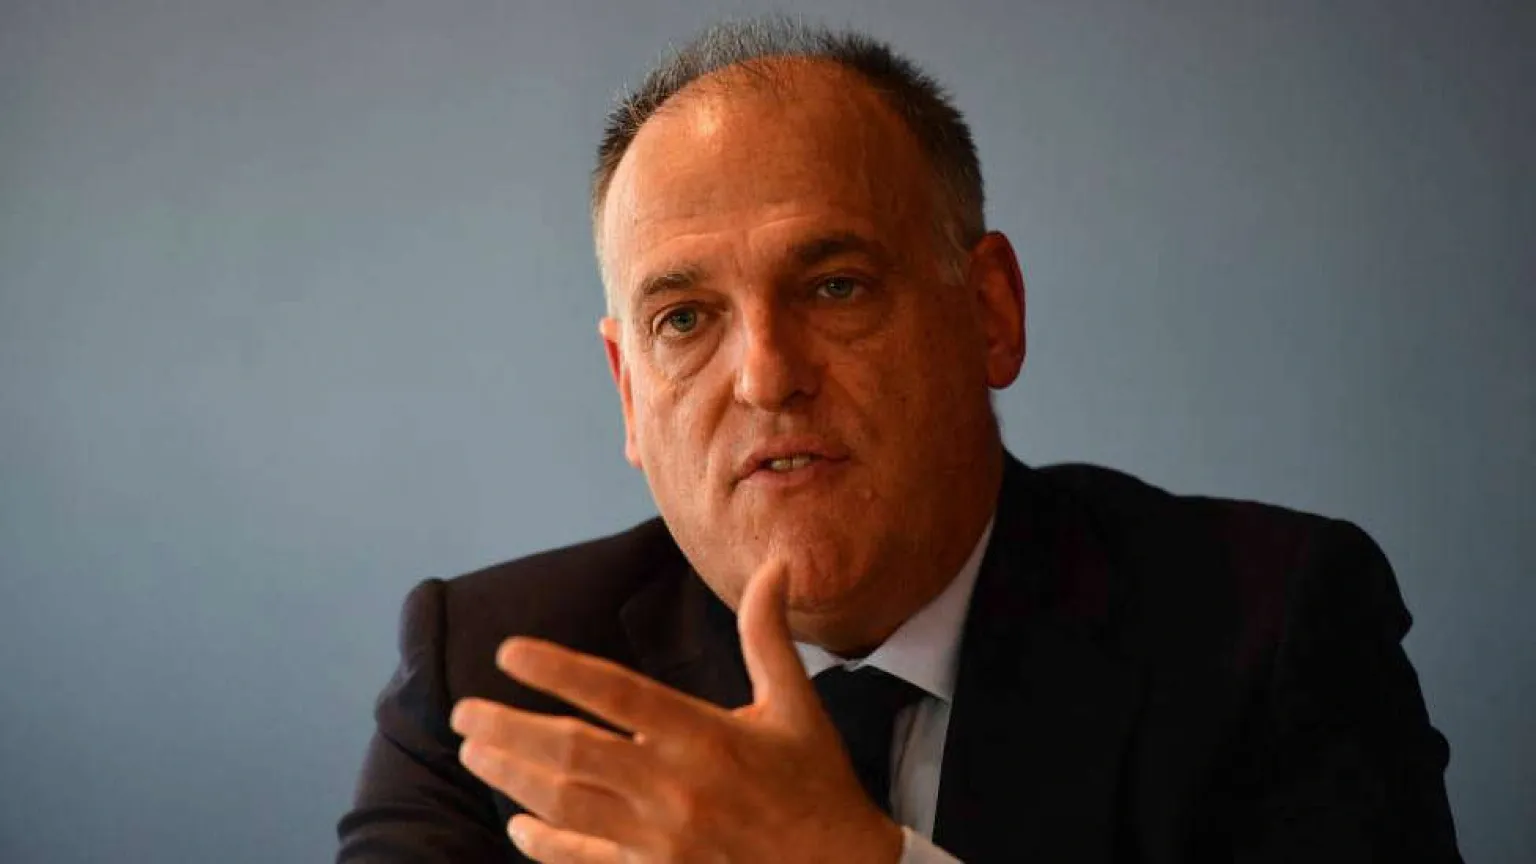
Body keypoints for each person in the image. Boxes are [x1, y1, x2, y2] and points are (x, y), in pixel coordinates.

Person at [336, 18, 1462, 864]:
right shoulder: (492, 679)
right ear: (630, 393)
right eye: (684, 320)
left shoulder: (1269, 630)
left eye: (835, 285)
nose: (766, 376)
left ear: (990, 314)